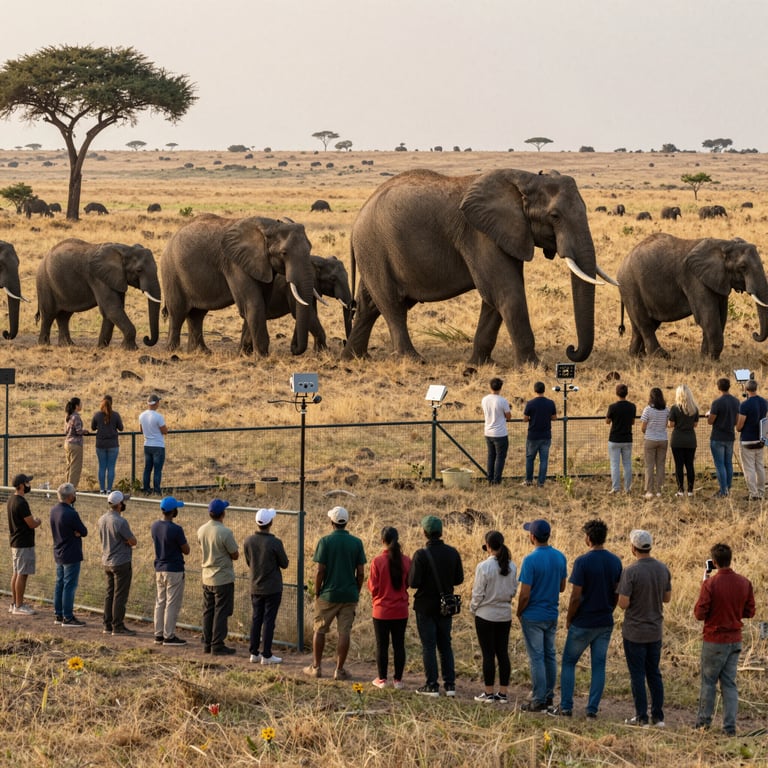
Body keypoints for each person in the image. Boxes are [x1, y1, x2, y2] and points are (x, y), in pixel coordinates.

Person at [548, 519, 622, 719]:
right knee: (599, 665)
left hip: (583, 620)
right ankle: (592, 710)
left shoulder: (582, 562)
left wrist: (570, 618)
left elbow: (575, 596)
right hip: (604, 620)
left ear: (588, 539)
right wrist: (609, 609)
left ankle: (566, 706)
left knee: (569, 662)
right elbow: (617, 593)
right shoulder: (615, 561)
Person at [694, 543, 755, 736]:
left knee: (708, 682)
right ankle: (729, 726)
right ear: (730, 559)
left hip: (714, 639)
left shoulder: (710, 584)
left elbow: (699, 613)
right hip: (735, 638)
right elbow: (750, 611)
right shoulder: (744, 582)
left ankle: (703, 724)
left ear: (714, 562)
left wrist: (704, 584)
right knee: (729, 683)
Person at [304, 506, 366, 680]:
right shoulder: (356, 542)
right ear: (346, 522)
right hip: (349, 595)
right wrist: (356, 590)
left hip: (328, 594)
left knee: (320, 630)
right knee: (344, 632)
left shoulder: (325, 541)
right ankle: (339, 670)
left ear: (331, 522)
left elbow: (320, 571)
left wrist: (317, 592)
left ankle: (316, 667)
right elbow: (361, 572)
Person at [617, 529, 672, 727]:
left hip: (634, 632)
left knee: (637, 675)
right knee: (654, 673)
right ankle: (658, 716)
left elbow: (623, 603)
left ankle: (641, 716)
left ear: (633, 548)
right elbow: (667, 598)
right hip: (655, 630)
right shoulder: (662, 568)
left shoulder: (630, 571)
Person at [408, 515, 464, 697]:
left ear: (425, 533)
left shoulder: (421, 555)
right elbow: (459, 579)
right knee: (445, 644)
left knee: (429, 645)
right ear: (441, 532)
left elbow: (414, 583)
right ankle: (450, 685)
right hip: (445, 605)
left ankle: (432, 684)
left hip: (425, 605)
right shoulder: (452, 552)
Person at [517, 519, 567, 711]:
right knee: (550, 655)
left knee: (536, 657)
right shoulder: (559, 556)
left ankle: (538, 698)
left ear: (532, 537)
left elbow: (525, 593)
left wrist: (520, 611)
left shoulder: (530, 560)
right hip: (551, 613)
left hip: (533, 614)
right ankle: (548, 696)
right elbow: (562, 587)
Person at [470, 530, 518, 703]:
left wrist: (473, 608)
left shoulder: (484, 567)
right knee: (502, 653)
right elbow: (513, 590)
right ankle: (503, 693)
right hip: (504, 615)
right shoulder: (512, 566)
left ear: (488, 546)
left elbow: (478, 593)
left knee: (488, 654)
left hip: (485, 614)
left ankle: (489, 693)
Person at [243, 507, 289, 665]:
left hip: (255, 585)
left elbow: (249, 562)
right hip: (273, 587)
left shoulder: (248, 541)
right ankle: (267, 654)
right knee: (269, 621)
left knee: (256, 619)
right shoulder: (275, 542)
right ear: (271, 523)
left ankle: (253, 652)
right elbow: (285, 564)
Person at [368, 526, 411, 689]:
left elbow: (373, 587)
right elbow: (408, 583)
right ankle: (398, 680)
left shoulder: (377, 561)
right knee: (399, 645)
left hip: (381, 611)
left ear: (382, 541)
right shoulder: (406, 560)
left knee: (382, 645)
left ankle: (382, 679)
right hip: (400, 610)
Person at [197, 498, 239, 654]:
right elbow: (235, 554)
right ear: (223, 513)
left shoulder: (201, 530)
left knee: (208, 611)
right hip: (222, 577)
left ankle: (207, 643)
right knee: (221, 612)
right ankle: (217, 644)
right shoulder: (225, 532)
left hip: (206, 576)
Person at [151, 496, 190, 646]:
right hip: (174, 569)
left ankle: (158, 634)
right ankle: (169, 635)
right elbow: (186, 550)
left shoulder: (155, 526)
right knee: (171, 603)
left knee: (160, 602)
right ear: (173, 511)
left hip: (159, 568)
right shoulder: (176, 529)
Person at [98, 490, 137, 635]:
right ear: (119, 505)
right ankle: (118, 626)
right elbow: (133, 541)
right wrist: (128, 541)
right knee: (120, 595)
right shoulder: (121, 521)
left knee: (110, 594)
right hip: (121, 562)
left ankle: (107, 625)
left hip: (106, 560)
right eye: (123, 501)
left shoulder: (102, 519)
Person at [50, 482, 88, 627]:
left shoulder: (54, 510)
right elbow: (84, 531)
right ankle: (68, 617)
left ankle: (58, 614)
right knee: (69, 586)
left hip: (58, 551)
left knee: (59, 583)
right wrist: (77, 533)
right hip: (71, 553)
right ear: (70, 496)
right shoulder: (71, 513)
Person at [7, 472, 41, 615]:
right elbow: (31, 523)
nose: (28, 485)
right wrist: (38, 521)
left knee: (16, 572)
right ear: (21, 485)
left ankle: (15, 603)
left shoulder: (11, 500)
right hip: (23, 543)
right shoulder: (21, 502)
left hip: (15, 541)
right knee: (22, 574)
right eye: (27, 483)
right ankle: (19, 606)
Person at [736, 379, 767, 501]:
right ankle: (761, 492)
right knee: (759, 466)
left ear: (746, 390)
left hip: (747, 439)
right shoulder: (764, 402)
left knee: (749, 468)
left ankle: (753, 493)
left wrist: (738, 427)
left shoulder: (745, 405)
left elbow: (740, 426)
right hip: (760, 438)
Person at [708, 378, 740, 498]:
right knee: (728, 464)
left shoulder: (717, 402)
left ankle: (723, 491)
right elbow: (737, 421)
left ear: (718, 387)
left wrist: (709, 415)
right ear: (729, 386)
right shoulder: (736, 401)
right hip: (730, 436)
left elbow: (710, 421)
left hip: (718, 437)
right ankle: (728, 488)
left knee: (720, 464)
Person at [523, 381, 557, 487]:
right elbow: (554, 418)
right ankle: (541, 482)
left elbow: (525, 419)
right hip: (546, 435)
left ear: (535, 390)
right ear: (544, 390)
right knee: (543, 460)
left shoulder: (530, 403)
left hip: (533, 435)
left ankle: (529, 480)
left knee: (530, 458)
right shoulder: (550, 403)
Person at [668, 384, 699, 497]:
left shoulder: (675, 408)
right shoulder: (694, 409)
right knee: (690, 465)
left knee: (679, 465)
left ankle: (680, 490)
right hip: (691, 440)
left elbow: (671, 424)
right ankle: (690, 490)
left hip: (677, 440)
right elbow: (695, 425)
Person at [606, 383, 636, 494]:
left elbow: (607, 421)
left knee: (614, 464)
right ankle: (628, 488)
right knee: (627, 464)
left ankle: (616, 488)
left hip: (614, 439)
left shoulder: (612, 407)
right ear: (626, 393)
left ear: (616, 393)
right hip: (627, 438)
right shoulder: (632, 406)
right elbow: (632, 422)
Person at [91, 394, 124, 494]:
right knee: (111, 467)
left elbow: (93, 428)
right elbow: (121, 428)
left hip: (100, 444)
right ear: (112, 403)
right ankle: (109, 489)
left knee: (102, 467)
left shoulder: (97, 415)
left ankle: (102, 489)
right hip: (113, 444)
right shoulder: (116, 415)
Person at [640, 387, 669, 498]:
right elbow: (667, 424)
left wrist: (648, 432)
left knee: (649, 466)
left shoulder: (648, 410)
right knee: (661, 465)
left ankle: (649, 491)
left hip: (650, 439)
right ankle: (659, 490)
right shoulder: (667, 409)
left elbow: (643, 427)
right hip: (663, 439)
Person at [482, 377, 511, 485]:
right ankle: (497, 480)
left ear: (490, 386)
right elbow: (508, 416)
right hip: (500, 433)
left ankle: (489, 478)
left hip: (488, 431)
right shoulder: (502, 401)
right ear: (500, 388)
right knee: (500, 457)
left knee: (491, 456)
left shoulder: (484, 399)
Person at [139, 393, 168, 495]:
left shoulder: (142, 415)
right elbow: (164, 431)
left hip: (147, 444)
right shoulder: (158, 417)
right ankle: (157, 490)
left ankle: (146, 489)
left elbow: (141, 429)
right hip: (158, 445)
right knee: (157, 469)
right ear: (156, 403)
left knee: (147, 469)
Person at [64, 397, 88, 488]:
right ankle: (71, 489)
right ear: (76, 406)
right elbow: (78, 431)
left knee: (69, 467)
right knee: (75, 468)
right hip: (76, 444)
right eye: (80, 404)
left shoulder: (68, 416)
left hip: (67, 443)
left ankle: (66, 487)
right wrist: (85, 431)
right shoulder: (76, 417)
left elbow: (66, 431)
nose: (81, 405)